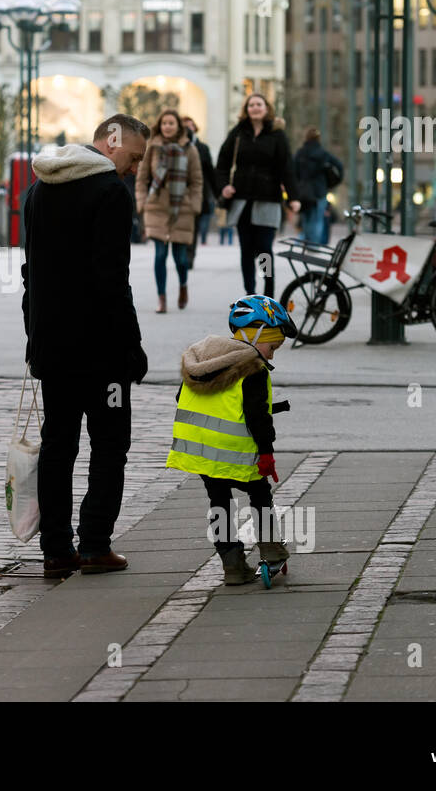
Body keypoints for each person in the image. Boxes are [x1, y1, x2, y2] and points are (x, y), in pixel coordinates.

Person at [21, 113, 150, 579]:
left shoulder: (38, 187)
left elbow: (28, 273)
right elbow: (111, 278)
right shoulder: (109, 192)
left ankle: (56, 552)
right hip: (101, 350)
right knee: (110, 444)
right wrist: (132, 346)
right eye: (134, 157)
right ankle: (95, 545)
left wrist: (33, 335)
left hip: (53, 345)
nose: (135, 168)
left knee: (58, 446)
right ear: (112, 142)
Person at [169, 295, 297, 585]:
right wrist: (267, 453)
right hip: (238, 452)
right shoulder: (253, 369)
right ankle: (272, 550)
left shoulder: (202, 359)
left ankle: (232, 565)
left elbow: (183, 398)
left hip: (202, 453)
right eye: (273, 346)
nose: (273, 354)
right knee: (260, 495)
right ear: (257, 334)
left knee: (219, 503)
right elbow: (256, 419)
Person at [215, 94, 300, 297]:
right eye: (251, 105)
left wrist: (293, 197)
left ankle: (268, 294)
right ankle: (250, 294)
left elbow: (286, 167)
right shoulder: (237, 133)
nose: (255, 108)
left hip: (268, 199)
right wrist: (224, 186)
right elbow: (222, 164)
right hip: (242, 200)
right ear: (246, 109)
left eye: (258, 104)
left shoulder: (277, 135)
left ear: (266, 108)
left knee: (264, 249)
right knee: (246, 249)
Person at [136, 110, 203, 314]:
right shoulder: (152, 149)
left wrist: (193, 204)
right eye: (164, 123)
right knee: (160, 254)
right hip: (156, 206)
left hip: (181, 207)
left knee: (181, 258)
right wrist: (141, 201)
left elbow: (196, 180)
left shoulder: (190, 149)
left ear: (178, 126)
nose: (167, 126)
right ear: (159, 125)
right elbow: (142, 177)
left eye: (171, 123)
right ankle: (162, 298)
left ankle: (183, 285)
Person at [292, 126, 344, 246]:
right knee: (317, 220)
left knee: (306, 219)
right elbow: (339, 166)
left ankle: (307, 241)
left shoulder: (300, 154)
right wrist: (333, 182)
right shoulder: (323, 154)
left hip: (303, 192)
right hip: (319, 191)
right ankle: (313, 245)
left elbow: (293, 172)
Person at [181, 115, 218, 247]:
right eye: (184, 125)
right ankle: (182, 254)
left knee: (194, 224)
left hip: (198, 192)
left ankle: (189, 255)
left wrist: (217, 193)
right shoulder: (172, 146)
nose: (187, 128)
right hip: (177, 192)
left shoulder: (203, 148)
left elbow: (210, 172)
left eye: (190, 125)